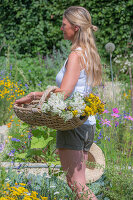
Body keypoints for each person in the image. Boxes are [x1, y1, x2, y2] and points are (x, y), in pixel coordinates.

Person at [15, 6, 102, 199]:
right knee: (80, 183)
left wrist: (34, 96)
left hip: (72, 124)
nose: (61, 28)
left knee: (77, 185)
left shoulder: (76, 55)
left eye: (64, 25)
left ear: (76, 27)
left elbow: (63, 93)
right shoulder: (88, 52)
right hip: (85, 122)